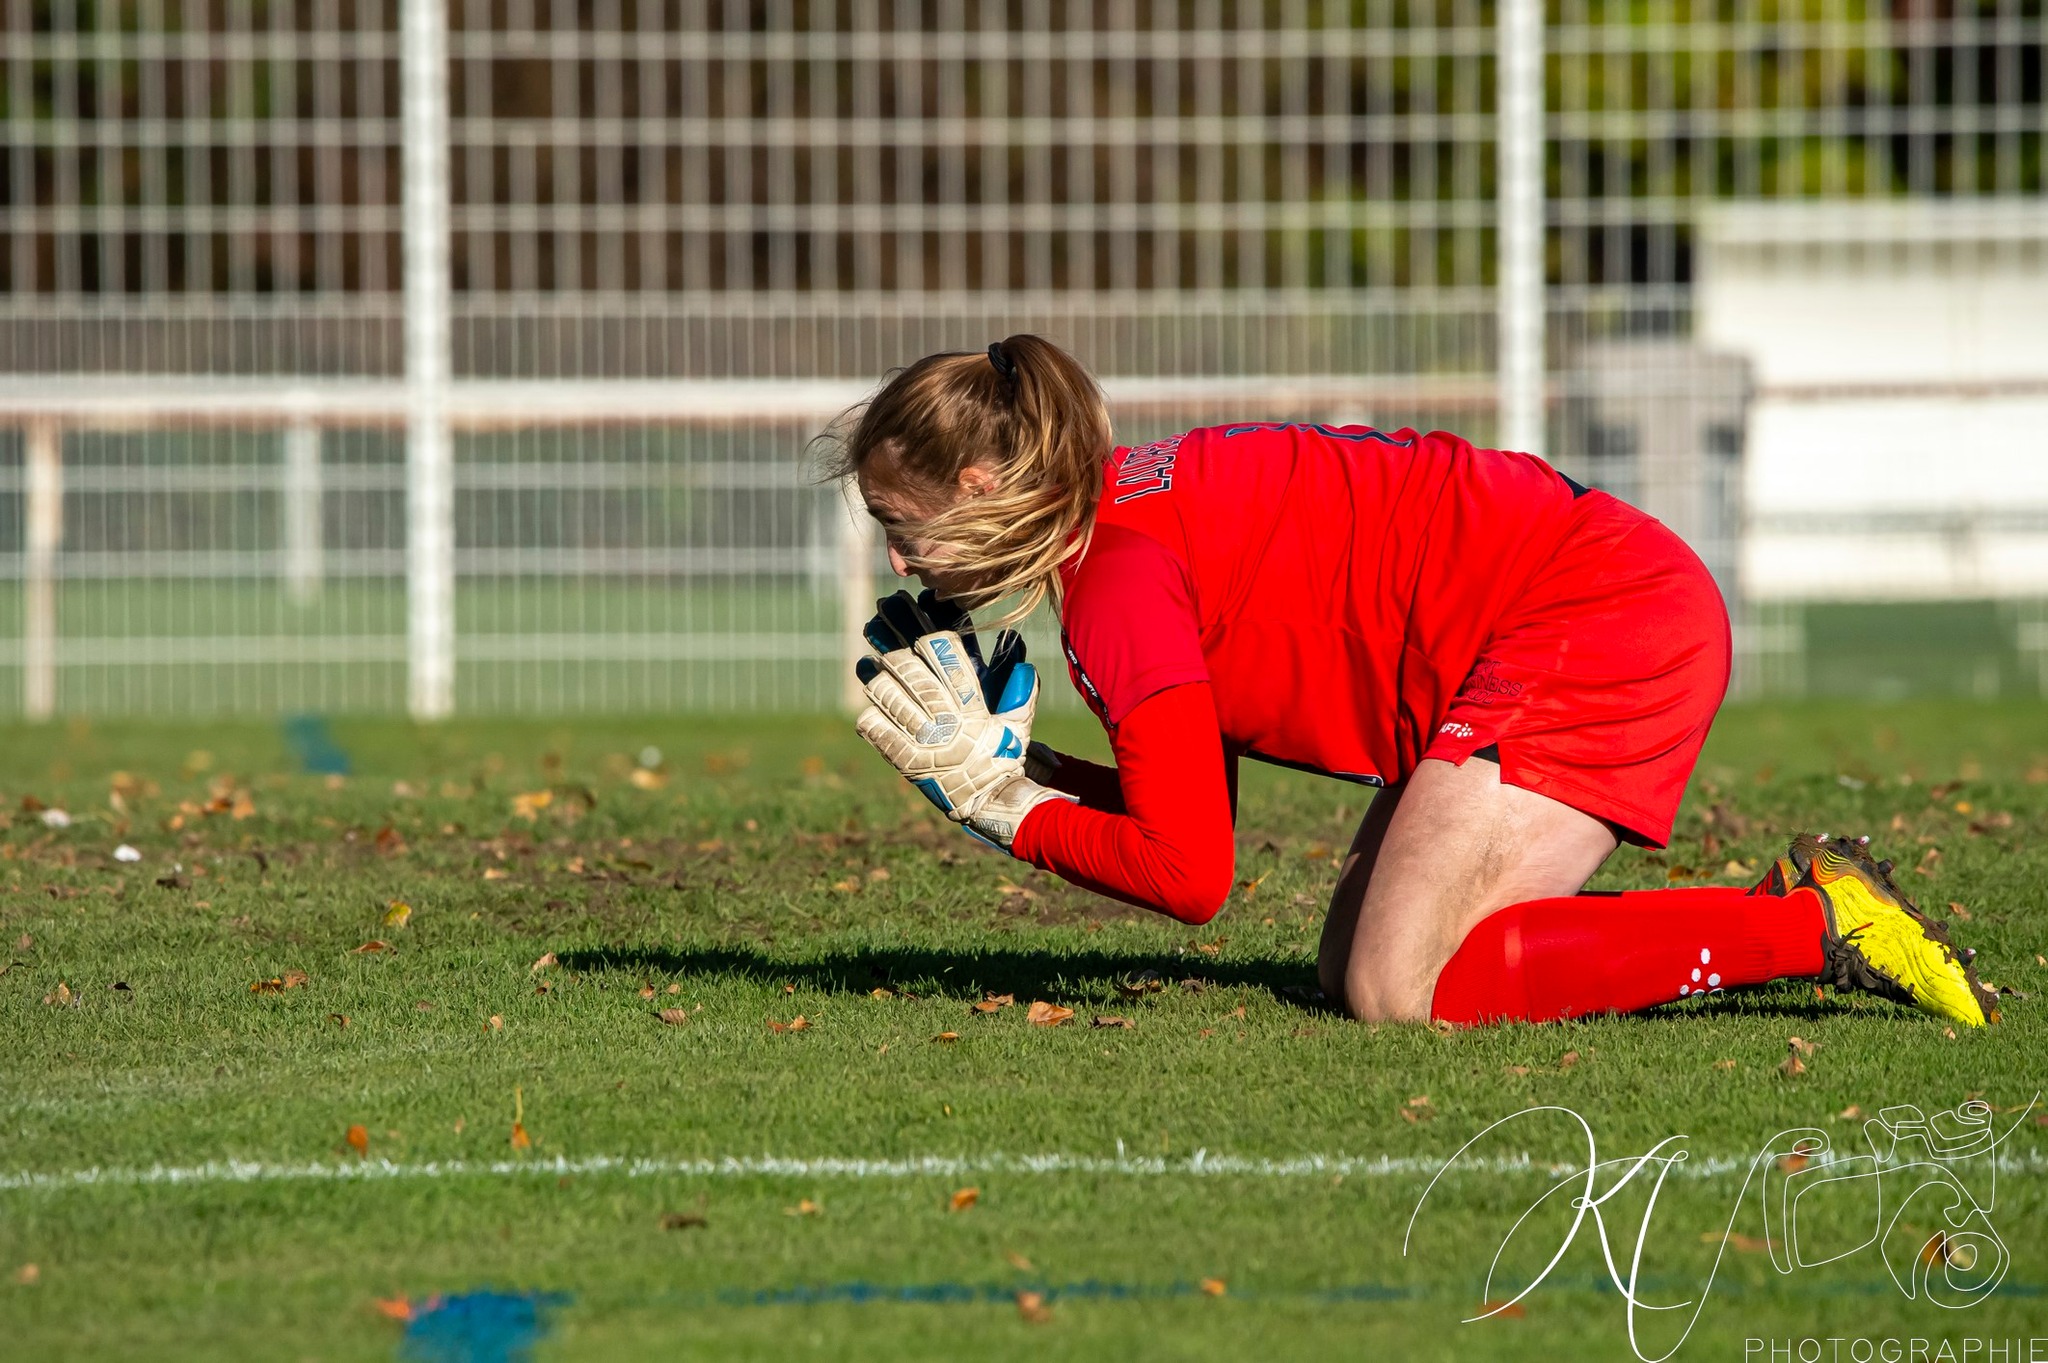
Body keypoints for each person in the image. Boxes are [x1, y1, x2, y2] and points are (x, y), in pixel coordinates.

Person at [824, 334, 1999, 1030]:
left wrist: (997, 807)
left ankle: (1813, 922)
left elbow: (1190, 877)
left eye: (899, 522)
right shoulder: (1115, 524)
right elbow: (1179, 808)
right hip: (1570, 605)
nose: (895, 558)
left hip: (1592, 614)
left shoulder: (1117, 581)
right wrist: (1013, 766)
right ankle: (1795, 909)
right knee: (1350, 970)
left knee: (1401, 986)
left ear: (980, 485)